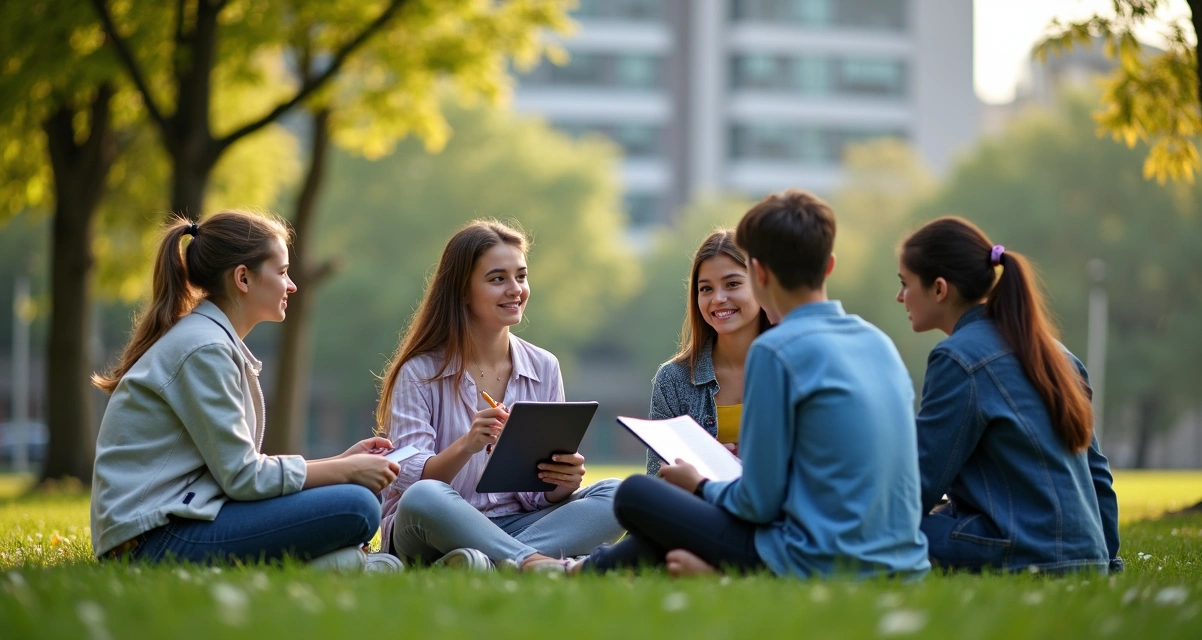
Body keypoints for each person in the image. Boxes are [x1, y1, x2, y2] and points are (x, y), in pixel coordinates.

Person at [574, 189, 930, 578]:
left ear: (758, 273)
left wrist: (701, 485)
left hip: (816, 557)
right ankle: (588, 570)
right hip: (904, 558)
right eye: (705, 288)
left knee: (635, 495)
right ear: (829, 266)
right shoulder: (878, 342)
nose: (717, 298)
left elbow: (759, 503)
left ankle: (709, 571)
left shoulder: (775, 351)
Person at [91, 211, 400, 570]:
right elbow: (243, 477)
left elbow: (237, 474)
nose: (292, 285)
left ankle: (332, 564)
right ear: (243, 278)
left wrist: (342, 463)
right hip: (151, 540)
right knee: (358, 506)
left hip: (177, 521)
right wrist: (344, 472)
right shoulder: (204, 349)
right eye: (283, 272)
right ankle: (325, 564)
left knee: (359, 498)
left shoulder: (209, 341)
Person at [377, 219, 623, 571]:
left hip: (517, 523)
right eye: (498, 279)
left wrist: (562, 483)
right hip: (433, 524)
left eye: (521, 276)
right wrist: (468, 445)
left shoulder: (544, 367)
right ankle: (531, 561)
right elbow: (410, 478)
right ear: (462, 291)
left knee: (617, 494)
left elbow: (539, 494)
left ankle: (486, 562)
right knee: (423, 496)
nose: (515, 289)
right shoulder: (419, 372)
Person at [896, 216, 1121, 573]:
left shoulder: (957, 358)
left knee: (883, 526)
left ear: (939, 289)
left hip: (1020, 554)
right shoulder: (1059, 355)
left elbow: (919, 485)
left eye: (904, 283)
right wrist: (1107, 564)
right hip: (1087, 555)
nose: (899, 296)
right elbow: (1098, 478)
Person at [646, 229, 771, 475]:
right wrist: (701, 472)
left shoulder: (795, 369)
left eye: (732, 284)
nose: (718, 298)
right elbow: (656, 479)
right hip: (699, 508)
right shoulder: (673, 379)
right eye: (706, 289)